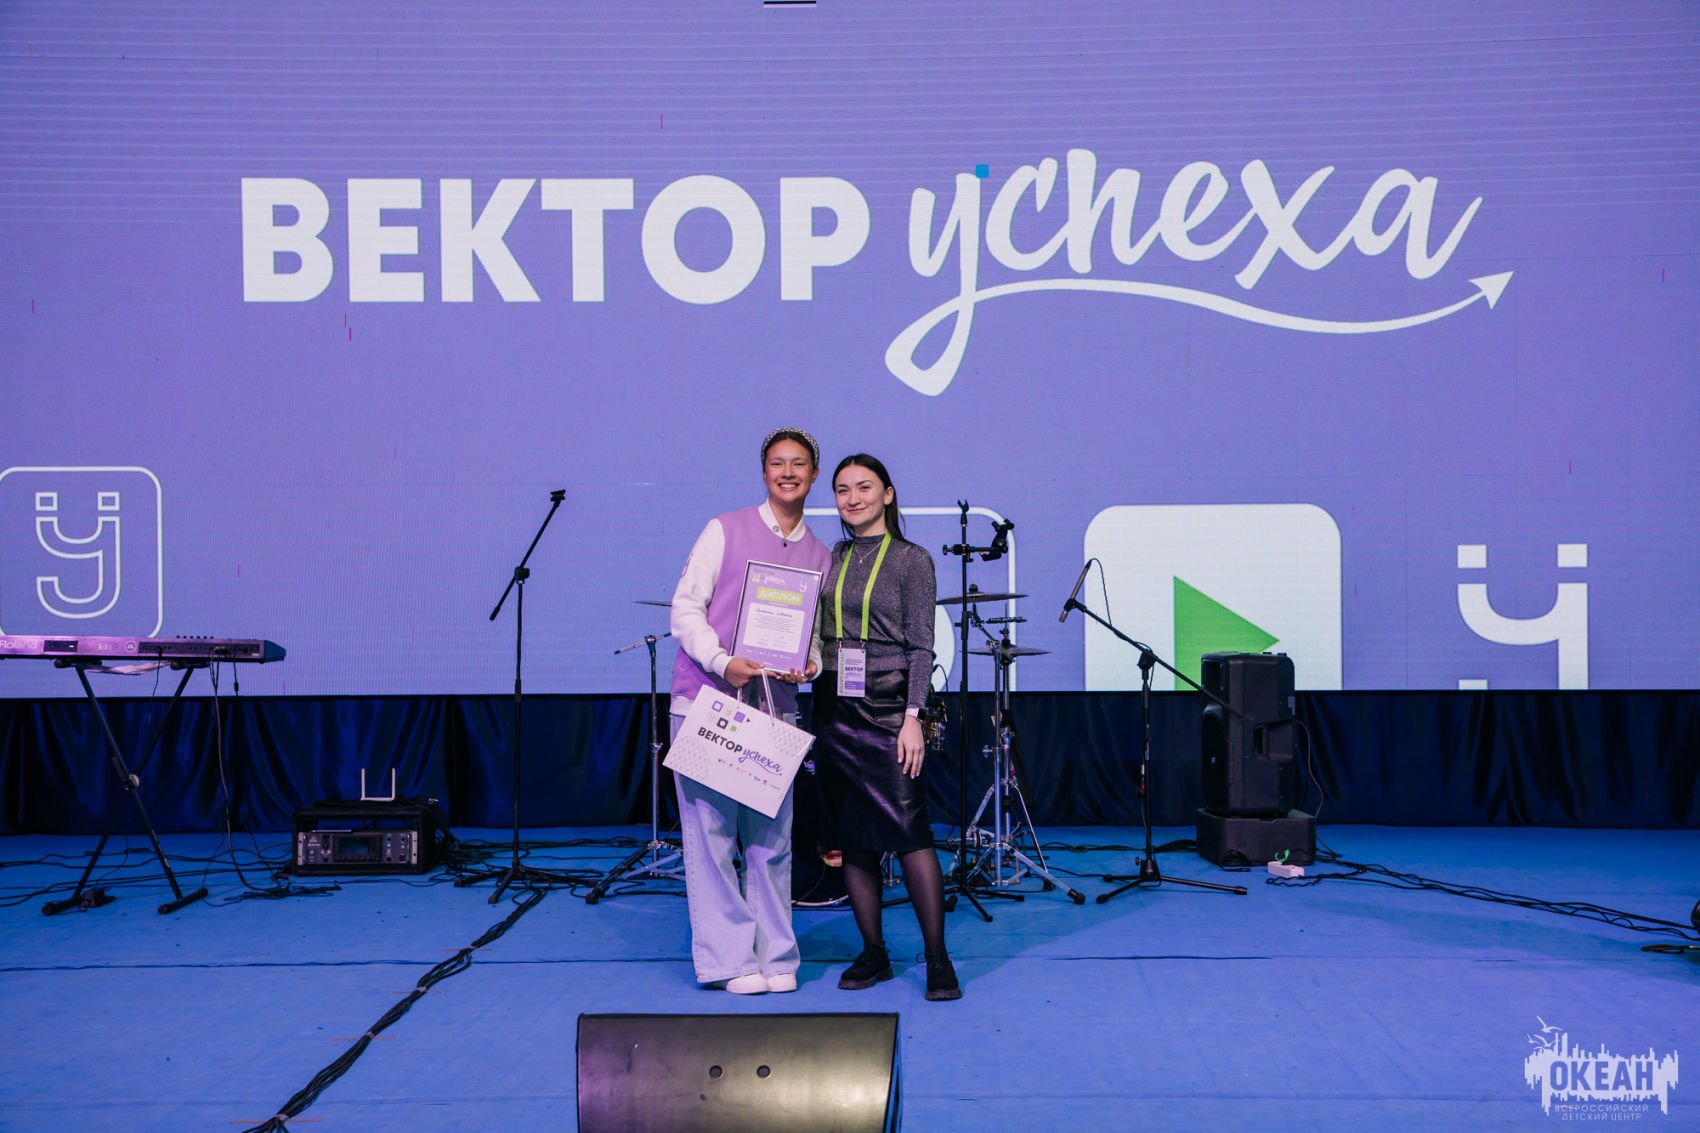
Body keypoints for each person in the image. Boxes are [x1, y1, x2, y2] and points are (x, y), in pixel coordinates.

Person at [668, 427, 831, 994]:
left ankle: (776, 956)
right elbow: (685, 609)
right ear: (764, 472)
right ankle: (730, 961)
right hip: (706, 702)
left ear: (813, 474)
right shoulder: (724, 528)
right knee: (711, 839)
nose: (788, 472)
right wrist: (721, 661)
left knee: (772, 839)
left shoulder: (819, 554)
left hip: (774, 713)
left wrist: (810, 664)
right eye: (777, 463)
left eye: (799, 464)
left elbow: (813, 636)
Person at [811, 453, 961, 1001]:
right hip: (834, 706)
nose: (852, 499)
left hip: (890, 706)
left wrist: (912, 717)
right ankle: (873, 952)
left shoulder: (911, 560)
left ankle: (937, 958)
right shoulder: (833, 556)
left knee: (910, 834)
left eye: (864, 487)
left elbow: (922, 646)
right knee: (853, 837)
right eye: (842, 489)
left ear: (888, 494)